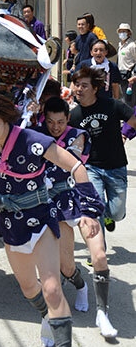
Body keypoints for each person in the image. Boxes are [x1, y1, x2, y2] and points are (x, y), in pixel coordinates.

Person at [0, 92, 100, 347]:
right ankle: (45, 314)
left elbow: (76, 166)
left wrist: (89, 210)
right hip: (10, 224)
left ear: (6, 119)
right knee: (29, 288)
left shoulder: (33, 140)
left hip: (41, 216)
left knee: (52, 288)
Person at [42, 97, 117, 338]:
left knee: (100, 255)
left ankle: (103, 313)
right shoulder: (36, 135)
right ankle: (81, 286)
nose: (55, 127)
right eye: (51, 122)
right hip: (57, 203)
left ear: (68, 118)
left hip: (80, 196)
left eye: (60, 122)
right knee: (66, 265)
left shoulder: (77, 135)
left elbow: (69, 164)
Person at [69, 66, 136, 234]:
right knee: (94, 209)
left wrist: (125, 134)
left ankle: (109, 215)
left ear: (95, 89)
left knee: (117, 213)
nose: (79, 89)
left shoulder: (112, 105)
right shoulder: (75, 115)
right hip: (91, 167)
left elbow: (133, 119)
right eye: (76, 85)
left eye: (84, 85)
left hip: (116, 166)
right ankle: (99, 254)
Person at [116, 23, 136, 106]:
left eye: (124, 31)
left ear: (129, 33)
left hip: (130, 76)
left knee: (130, 99)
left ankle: (131, 118)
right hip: (122, 75)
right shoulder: (120, 45)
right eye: (120, 31)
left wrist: (134, 76)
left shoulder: (132, 45)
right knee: (124, 97)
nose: (122, 33)